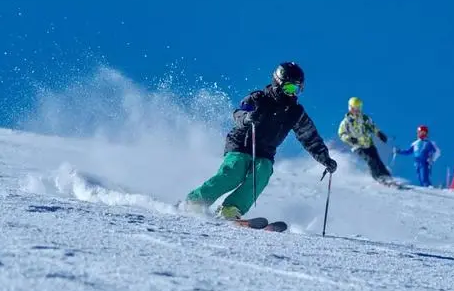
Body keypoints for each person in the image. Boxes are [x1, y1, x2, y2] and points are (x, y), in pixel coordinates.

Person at [182, 62, 337, 220]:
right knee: (234, 172)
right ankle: (196, 201)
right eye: (289, 88)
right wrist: (248, 118)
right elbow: (238, 113)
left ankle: (231, 208)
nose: (292, 94)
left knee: (262, 172)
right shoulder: (259, 98)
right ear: (278, 83)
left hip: (265, 151)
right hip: (241, 143)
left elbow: (309, 137)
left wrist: (324, 158)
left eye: (296, 89)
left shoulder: (295, 112)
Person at [338, 97, 391, 182]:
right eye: (355, 108)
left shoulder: (364, 118)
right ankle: (378, 177)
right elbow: (341, 134)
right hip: (357, 146)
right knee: (370, 160)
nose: (357, 110)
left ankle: (387, 177)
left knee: (377, 159)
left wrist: (379, 134)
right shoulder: (346, 122)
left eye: (359, 108)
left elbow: (372, 126)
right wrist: (350, 139)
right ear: (350, 108)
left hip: (369, 143)